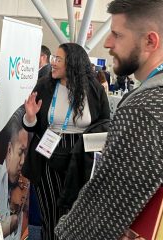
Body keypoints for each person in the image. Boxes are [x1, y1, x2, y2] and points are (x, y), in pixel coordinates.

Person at [55, 0, 163, 239]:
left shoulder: (147, 108)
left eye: (117, 35)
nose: (107, 43)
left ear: (150, 41)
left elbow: (100, 215)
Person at [22, 43, 110, 240]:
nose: (53, 63)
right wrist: (30, 117)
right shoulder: (44, 85)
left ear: (73, 63)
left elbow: (105, 124)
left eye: (58, 59)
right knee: (51, 215)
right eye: (53, 58)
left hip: (81, 158)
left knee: (77, 215)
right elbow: (32, 125)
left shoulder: (94, 89)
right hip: (48, 155)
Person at [0, 106, 29, 240]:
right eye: (20, 152)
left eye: (26, 154)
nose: (22, 161)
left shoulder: (25, 184)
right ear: (9, 150)